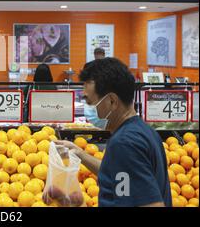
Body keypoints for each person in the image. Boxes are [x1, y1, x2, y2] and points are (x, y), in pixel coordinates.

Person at [44, 58, 171, 207]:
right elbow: (120, 174)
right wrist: (80, 154)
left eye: (90, 102)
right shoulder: (143, 131)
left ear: (112, 101)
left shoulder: (124, 143)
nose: (88, 108)